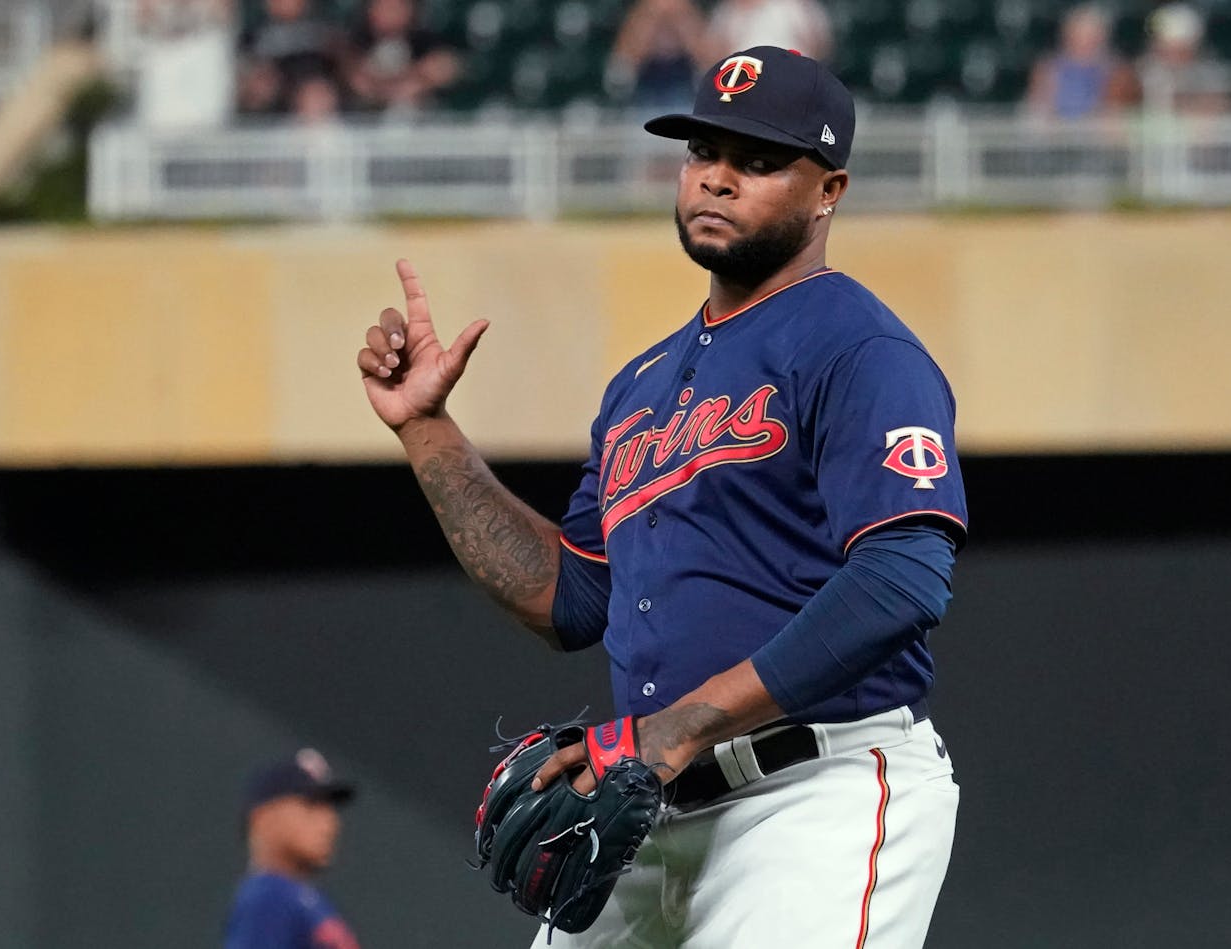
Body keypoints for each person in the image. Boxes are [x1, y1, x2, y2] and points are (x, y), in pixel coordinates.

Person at [357, 47, 966, 948]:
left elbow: (902, 579)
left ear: (828, 189)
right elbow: (568, 597)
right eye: (702, 152)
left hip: (816, 793)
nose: (717, 179)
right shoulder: (640, 386)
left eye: (757, 161)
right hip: (651, 803)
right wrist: (427, 430)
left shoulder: (859, 346)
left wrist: (671, 729)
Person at [225, 749, 361, 949]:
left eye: (330, 809)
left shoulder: (304, 898)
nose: (329, 822)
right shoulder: (268, 898)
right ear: (262, 817)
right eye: (312, 804)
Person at [343, 0, 460, 114]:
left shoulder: (424, 41)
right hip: (363, 119)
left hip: (420, 118)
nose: (391, 14)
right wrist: (388, 90)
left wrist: (418, 81)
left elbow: (445, 67)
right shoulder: (352, 43)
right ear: (370, 9)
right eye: (384, 6)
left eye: (397, 7)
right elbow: (358, 82)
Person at [1025, 3, 1138, 120]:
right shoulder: (1047, 68)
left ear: (1101, 38)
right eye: (1078, 35)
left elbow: (1115, 111)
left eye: (1090, 36)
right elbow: (1038, 108)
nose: (1084, 42)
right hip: (1057, 131)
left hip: (1097, 131)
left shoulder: (1118, 70)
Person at [609, 0, 710, 112]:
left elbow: (707, 66)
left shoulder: (687, 14)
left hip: (685, 96)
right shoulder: (639, 18)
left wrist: (681, 19)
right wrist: (651, 18)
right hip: (642, 99)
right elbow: (620, 74)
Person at [705, 0, 833, 64]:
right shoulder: (728, 12)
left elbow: (822, 49)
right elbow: (713, 61)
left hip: (793, 87)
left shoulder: (795, 6)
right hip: (745, 91)